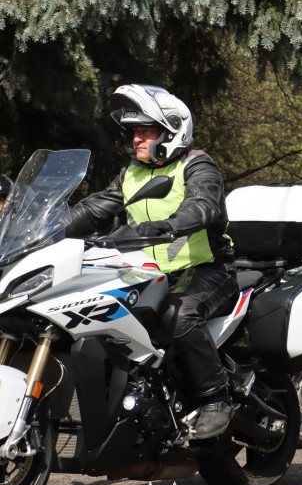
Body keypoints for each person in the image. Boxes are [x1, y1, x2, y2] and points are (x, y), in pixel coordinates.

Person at [65, 84, 237, 439]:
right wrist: (50, 225)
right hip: (148, 274)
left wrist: (169, 225)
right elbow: (95, 208)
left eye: (146, 132)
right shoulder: (132, 172)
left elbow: (204, 204)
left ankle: (215, 398)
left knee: (179, 315)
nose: (136, 140)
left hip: (206, 269)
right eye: (134, 133)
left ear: (172, 132)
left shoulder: (197, 165)